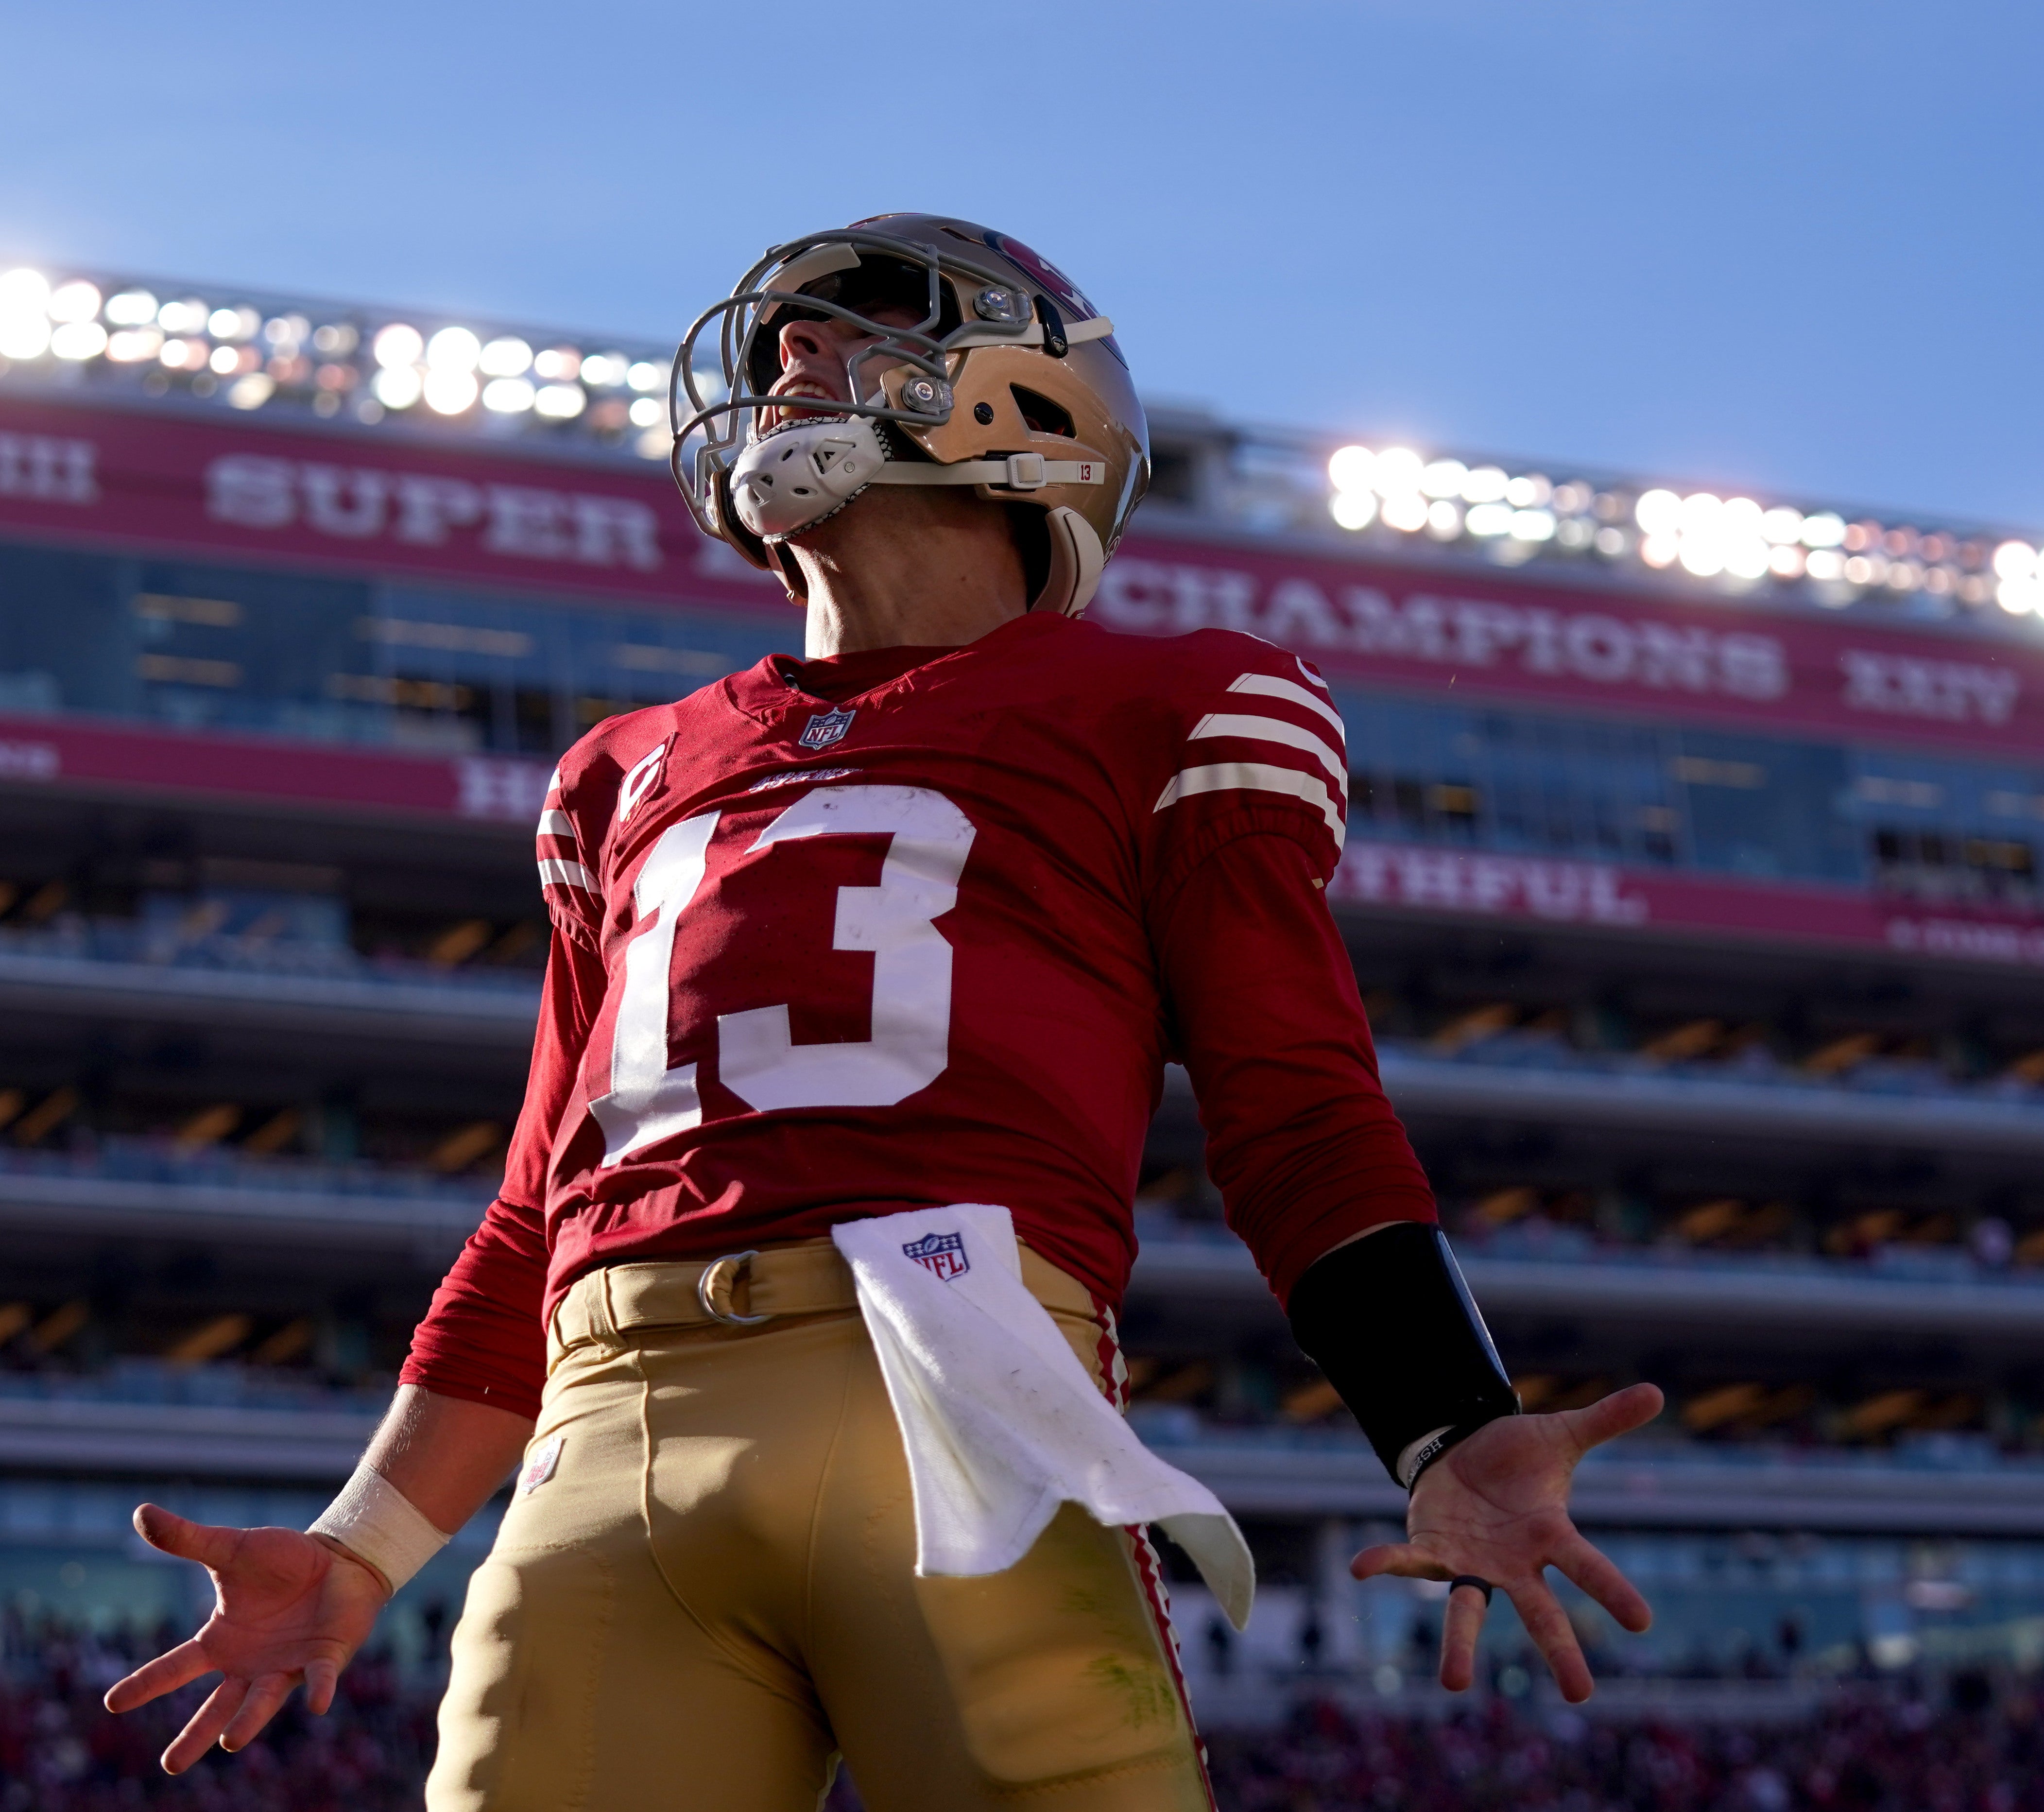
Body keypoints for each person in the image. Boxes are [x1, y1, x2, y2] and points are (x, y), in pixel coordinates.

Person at [106, 214, 1663, 1811]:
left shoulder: (1168, 702)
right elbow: (537, 1215)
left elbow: (1296, 1107)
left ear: (1034, 401)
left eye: (864, 321)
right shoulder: (621, 769)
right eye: (789, 330)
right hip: (605, 1434)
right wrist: (366, 1542)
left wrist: (1443, 1420)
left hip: (961, 1391)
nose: (789, 354)